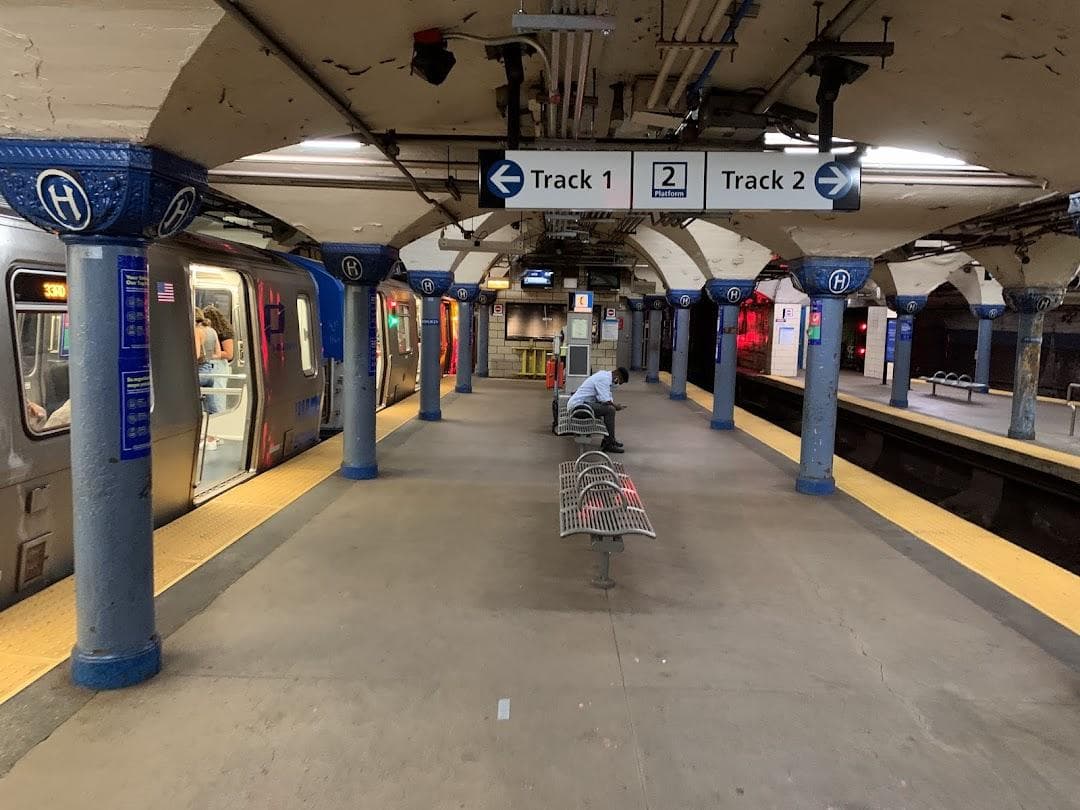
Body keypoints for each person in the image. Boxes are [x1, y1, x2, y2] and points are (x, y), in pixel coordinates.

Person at [567, 366, 629, 453]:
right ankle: (609, 444)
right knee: (610, 410)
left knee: (608, 409)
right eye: (620, 381)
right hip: (578, 407)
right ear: (617, 375)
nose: (618, 384)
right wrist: (616, 406)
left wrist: (612, 404)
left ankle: (609, 440)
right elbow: (605, 400)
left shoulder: (605, 376)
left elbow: (606, 397)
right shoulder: (604, 379)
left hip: (583, 404)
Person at [194, 307, 222, 450]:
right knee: (211, 406)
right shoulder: (212, 331)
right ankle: (214, 435)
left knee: (192, 404)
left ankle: (198, 435)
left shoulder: (197, 331)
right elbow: (218, 353)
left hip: (199, 371)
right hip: (210, 370)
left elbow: (196, 354)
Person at [202, 305, 235, 414]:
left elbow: (229, 354)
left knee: (217, 397)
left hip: (218, 366)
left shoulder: (223, 333)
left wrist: (211, 353)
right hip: (210, 365)